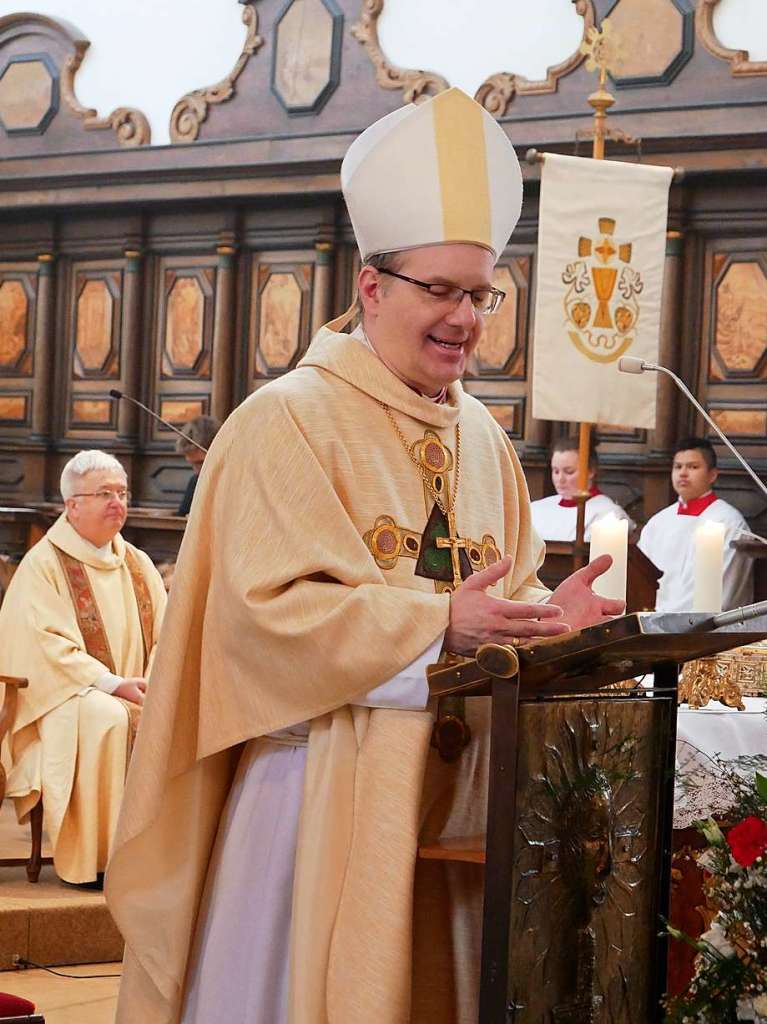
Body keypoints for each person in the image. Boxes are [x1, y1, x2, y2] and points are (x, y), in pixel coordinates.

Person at [106, 88, 622, 1023]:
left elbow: (496, 595)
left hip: (457, 801)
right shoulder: (285, 420)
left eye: (480, 293)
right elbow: (260, 615)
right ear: (371, 286)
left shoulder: (484, 440)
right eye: (441, 290)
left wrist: (552, 624)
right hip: (317, 800)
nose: (466, 318)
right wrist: (438, 624)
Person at [0, 451, 166, 884]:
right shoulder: (45, 565)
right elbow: (45, 648)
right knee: (108, 718)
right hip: (60, 699)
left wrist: (156, 682)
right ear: (72, 505)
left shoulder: (138, 563)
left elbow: (168, 636)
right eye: (104, 494)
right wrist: (112, 685)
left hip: (135, 692)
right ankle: (98, 861)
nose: (117, 502)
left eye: (122, 493)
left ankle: (156, 860)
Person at [638, 436, 753, 611]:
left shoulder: (728, 522)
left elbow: (725, 590)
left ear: (712, 474)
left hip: (702, 628)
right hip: (650, 617)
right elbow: (640, 575)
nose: (683, 473)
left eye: (693, 467)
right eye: (678, 467)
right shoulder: (658, 521)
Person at [530, 436, 635, 541]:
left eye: (569, 472)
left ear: (590, 471)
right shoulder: (536, 509)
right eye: (556, 471)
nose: (560, 479)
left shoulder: (609, 514)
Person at [175, 415, 220, 516]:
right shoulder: (195, 482)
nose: (196, 471)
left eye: (200, 463)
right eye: (192, 464)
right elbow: (181, 519)